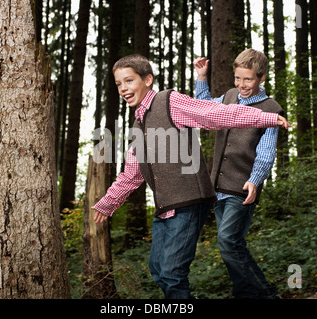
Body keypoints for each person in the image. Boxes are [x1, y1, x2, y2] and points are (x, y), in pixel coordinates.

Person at [93, 54, 290, 299]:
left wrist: (265, 117)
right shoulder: (138, 124)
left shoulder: (169, 102)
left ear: (148, 80)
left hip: (188, 201)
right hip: (165, 206)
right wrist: (109, 202)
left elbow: (215, 114)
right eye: (119, 84)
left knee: (173, 273)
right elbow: (132, 173)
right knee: (158, 269)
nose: (124, 88)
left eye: (129, 81)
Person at [193, 48, 282, 299]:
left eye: (248, 79)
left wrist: (255, 180)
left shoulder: (270, 109)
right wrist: (201, 77)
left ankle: (264, 295)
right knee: (233, 245)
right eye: (238, 78)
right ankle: (248, 293)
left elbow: (265, 152)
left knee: (228, 242)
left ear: (261, 78)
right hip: (218, 187)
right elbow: (204, 109)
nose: (241, 85)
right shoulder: (230, 96)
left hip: (242, 188)